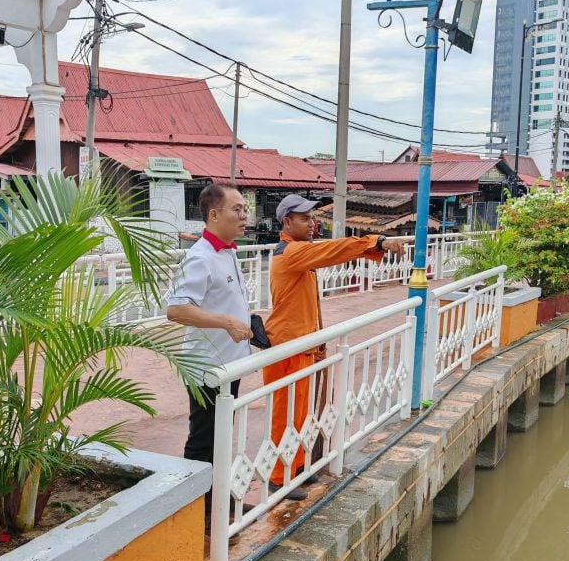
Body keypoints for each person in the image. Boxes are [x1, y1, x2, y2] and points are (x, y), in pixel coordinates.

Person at [263, 194, 406, 499]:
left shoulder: (297, 253)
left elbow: (328, 252)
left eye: (313, 218)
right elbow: (334, 250)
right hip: (288, 346)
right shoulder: (291, 253)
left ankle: (298, 468)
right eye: (305, 218)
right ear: (287, 222)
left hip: (305, 345)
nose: (312, 223)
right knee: (285, 413)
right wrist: (375, 242)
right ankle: (278, 478)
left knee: (303, 412)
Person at [166, 183, 252, 520]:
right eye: (237, 209)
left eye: (245, 209)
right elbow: (176, 310)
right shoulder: (200, 257)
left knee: (221, 437)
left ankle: (217, 504)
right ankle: (196, 513)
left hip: (229, 365)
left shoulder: (228, 251)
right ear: (214, 215)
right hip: (207, 370)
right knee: (203, 441)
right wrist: (226, 322)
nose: (245, 215)